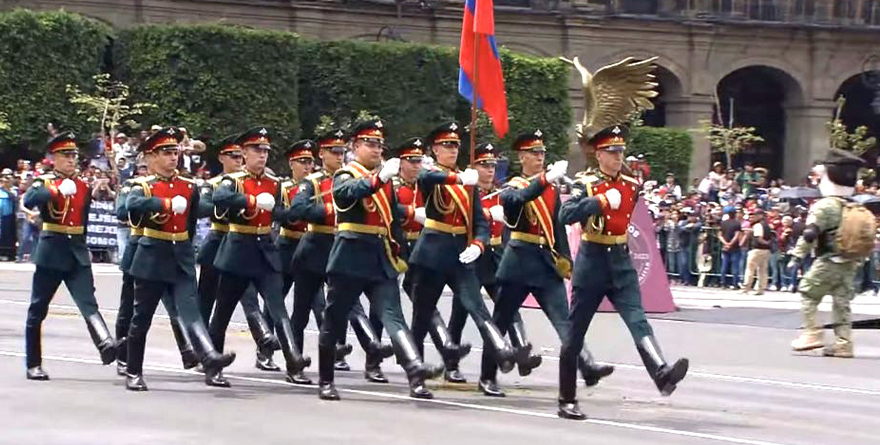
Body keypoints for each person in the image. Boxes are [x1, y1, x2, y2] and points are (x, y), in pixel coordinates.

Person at [559, 125, 689, 420]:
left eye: (620, 151)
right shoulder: (586, 183)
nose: (619, 157)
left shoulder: (632, 184)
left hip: (620, 260)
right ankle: (566, 398)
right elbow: (566, 215)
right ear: (599, 154)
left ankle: (662, 373)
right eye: (612, 152)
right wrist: (600, 202)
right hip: (592, 261)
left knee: (638, 321)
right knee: (575, 334)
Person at [476, 131, 613, 397]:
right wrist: (544, 179)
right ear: (522, 157)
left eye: (542, 153)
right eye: (534, 154)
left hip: (546, 262)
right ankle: (487, 377)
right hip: (518, 262)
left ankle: (586, 365)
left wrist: (565, 259)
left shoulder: (550, 187)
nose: (540, 158)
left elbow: (557, 226)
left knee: (565, 321)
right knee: (501, 322)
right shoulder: (512, 187)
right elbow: (518, 200)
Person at [316, 118, 442, 401]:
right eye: (370, 143)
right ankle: (326, 380)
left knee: (393, 317)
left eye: (379, 144)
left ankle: (415, 370)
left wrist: (399, 252)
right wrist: (380, 178)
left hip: (379, 255)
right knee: (334, 319)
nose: (376, 149)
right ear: (356, 146)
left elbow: (391, 221)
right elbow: (347, 194)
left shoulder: (383, 180)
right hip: (350, 254)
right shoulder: (346, 174)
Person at [124, 127, 236, 391]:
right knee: (142, 317)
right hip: (152, 256)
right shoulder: (143, 186)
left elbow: (195, 215)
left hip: (181, 256)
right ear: (151, 157)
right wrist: (163, 205)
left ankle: (209, 355)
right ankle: (133, 371)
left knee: (191, 311)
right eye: (166, 153)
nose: (173, 157)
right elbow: (132, 205)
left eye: (175, 152)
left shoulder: (188, 186)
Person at [408, 122, 521, 383]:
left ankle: (501, 348)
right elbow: (426, 179)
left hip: (461, 255)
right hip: (432, 254)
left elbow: (480, 222)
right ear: (435, 149)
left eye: (456, 145)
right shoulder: (436, 174)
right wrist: (457, 178)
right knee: (422, 317)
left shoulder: (468, 180)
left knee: (477, 306)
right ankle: (416, 373)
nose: (452, 150)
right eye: (446, 145)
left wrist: (478, 244)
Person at [208, 127, 311, 386]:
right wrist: (251, 201)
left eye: (265, 150)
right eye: (256, 150)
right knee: (223, 311)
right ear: (243, 153)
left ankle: (293, 362)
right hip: (238, 250)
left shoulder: (274, 183)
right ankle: (212, 364)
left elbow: (278, 213)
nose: (262, 155)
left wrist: (297, 211)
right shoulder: (233, 181)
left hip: (265, 249)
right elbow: (221, 198)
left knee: (278, 310)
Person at [21, 132, 118, 381]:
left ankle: (105, 343)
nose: (71, 160)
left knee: (88, 302)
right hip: (52, 251)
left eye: (74, 155)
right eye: (66, 155)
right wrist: (53, 191)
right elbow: (30, 201)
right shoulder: (43, 182)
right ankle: (33, 363)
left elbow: (83, 220)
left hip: (76, 251)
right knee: (38, 308)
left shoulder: (84, 186)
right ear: (53, 158)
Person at [196, 134, 281, 374]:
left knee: (249, 296)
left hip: (241, 244)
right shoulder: (214, 184)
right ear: (222, 157)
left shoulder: (250, 182)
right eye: (232, 156)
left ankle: (263, 340)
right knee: (207, 300)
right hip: (218, 242)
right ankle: (204, 350)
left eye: (238, 155)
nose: (236, 160)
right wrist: (231, 206)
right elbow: (202, 207)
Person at [393, 136, 472, 383]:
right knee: (392, 307)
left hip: (426, 247)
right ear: (401, 163)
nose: (416, 166)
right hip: (399, 244)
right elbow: (386, 209)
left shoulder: (429, 183)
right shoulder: (395, 187)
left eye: (419, 161)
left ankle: (443, 348)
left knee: (423, 307)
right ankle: (375, 357)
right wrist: (408, 213)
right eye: (411, 161)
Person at [789, 149, 867, 358]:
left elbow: (810, 233)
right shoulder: (854, 205)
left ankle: (812, 333)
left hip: (828, 260)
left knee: (808, 292)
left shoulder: (825, 206)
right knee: (842, 303)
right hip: (850, 261)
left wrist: (797, 255)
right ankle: (844, 343)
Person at [741, 209, 772, 295]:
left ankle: (746, 288)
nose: (754, 217)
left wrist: (765, 242)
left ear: (760, 215)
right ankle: (761, 289)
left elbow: (759, 237)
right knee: (762, 270)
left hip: (757, 249)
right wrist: (768, 244)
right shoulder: (767, 225)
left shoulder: (758, 225)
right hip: (766, 250)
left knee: (750, 269)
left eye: (756, 215)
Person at [718, 207, 743, 289]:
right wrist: (731, 243)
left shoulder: (723, 223)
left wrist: (725, 243)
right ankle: (735, 283)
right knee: (735, 265)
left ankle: (723, 282)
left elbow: (720, 235)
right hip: (735, 246)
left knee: (724, 265)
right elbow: (737, 235)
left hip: (725, 246)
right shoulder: (737, 223)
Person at [0, 169, 17, 260]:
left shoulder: (14, 190)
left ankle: (9, 254)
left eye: (7, 177)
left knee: (9, 235)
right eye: (3, 177)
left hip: (10, 215)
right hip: (1, 215)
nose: (5, 179)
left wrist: (7, 187)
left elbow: (13, 197)